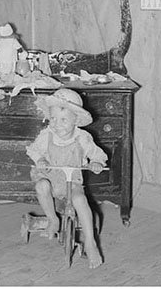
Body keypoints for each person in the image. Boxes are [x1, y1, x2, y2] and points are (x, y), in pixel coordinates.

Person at [26, 88, 108, 268]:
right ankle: (53, 219)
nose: (57, 124)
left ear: (75, 120)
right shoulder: (47, 134)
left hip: (72, 181)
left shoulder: (83, 137)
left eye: (63, 120)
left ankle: (90, 242)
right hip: (51, 176)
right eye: (53, 119)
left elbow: (98, 155)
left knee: (79, 199)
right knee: (41, 186)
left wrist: (96, 163)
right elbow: (33, 150)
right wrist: (40, 159)